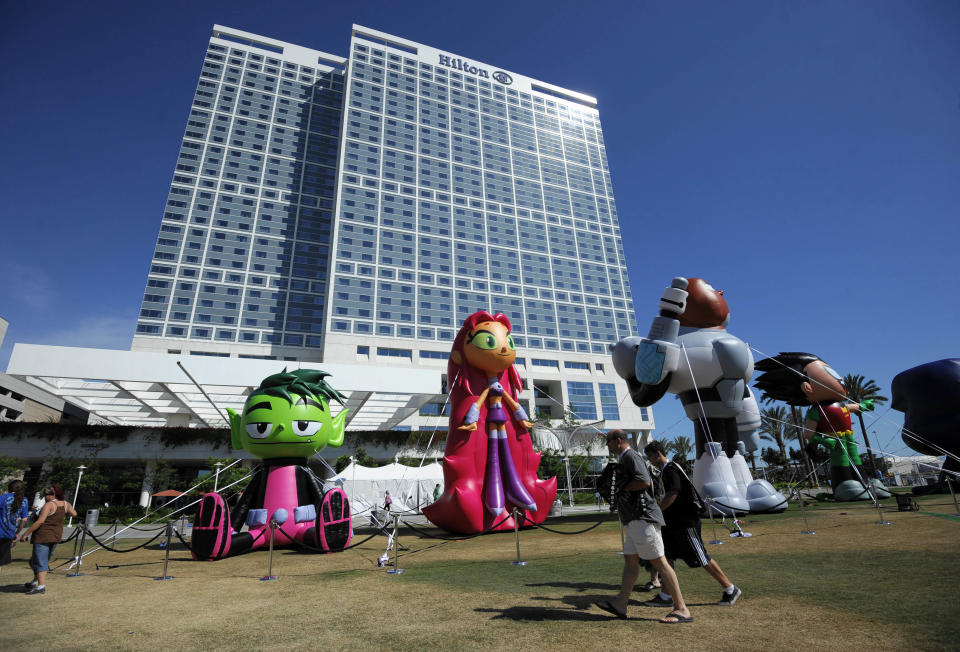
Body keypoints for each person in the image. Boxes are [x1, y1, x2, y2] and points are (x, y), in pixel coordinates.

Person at [595, 430, 692, 624]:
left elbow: (643, 481)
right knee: (630, 562)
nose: (607, 445)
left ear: (619, 441)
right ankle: (621, 604)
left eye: (608, 441)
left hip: (642, 518)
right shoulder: (626, 458)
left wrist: (620, 488)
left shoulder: (631, 456)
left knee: (660, 563)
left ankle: (682, 609)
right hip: (633, 520)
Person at [643, 440, 742, 606]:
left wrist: (657, 511)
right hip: (674, 523)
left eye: (650, 457)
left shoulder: (671, 469)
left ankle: (730, 588)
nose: (650, 461)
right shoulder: (666, 470)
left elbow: (673, 492)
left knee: (701, 556)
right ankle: (667, 594)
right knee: (668, 556)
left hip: (686, 521)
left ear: (657, 454)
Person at [19, 484, 77, 595]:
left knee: (40, 561)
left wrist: (25, 533)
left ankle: (41, 586)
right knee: (35, 561)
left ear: (53, 494)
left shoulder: (49, 505)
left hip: (43, 536)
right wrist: (63, 514)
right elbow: (74, 514)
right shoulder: (66, 504)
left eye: (46, 494)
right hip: (56, 535)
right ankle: (35, 582)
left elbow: (40, 521)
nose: (45, 497)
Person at [1, 480, 30, 577]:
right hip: (9, 533)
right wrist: (17, 533)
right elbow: (24, 519)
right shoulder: (24, 500)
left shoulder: (4, 497)